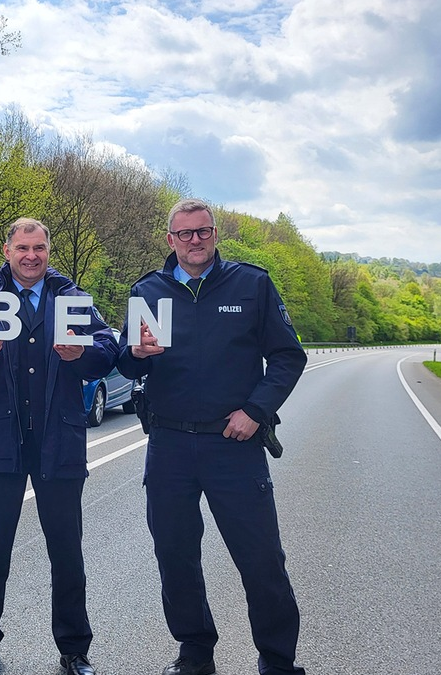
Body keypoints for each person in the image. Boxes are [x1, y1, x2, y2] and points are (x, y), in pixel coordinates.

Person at [116, 198, 307, 675]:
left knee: (261, 560)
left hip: (234, 444)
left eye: (202, 232)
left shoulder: (252, 284)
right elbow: (125, 362)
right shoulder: (148, 291)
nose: (194, 241)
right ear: (170, 240)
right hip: (169, 446)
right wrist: (136, 354)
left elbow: (288, 357)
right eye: (184, 234)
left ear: (215, 234)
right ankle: (196, 652)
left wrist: (256, 411)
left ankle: (279, 662)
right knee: (175, 557)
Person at [0, 218, 119, 675]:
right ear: (7, 250)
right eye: (22, 248)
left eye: (39, 248)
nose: (31, 256)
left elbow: (107, 350)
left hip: (58, 440)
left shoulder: (73, 299)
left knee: (66, 549)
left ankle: (75, 648)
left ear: (48, 250)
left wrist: (85, 355)